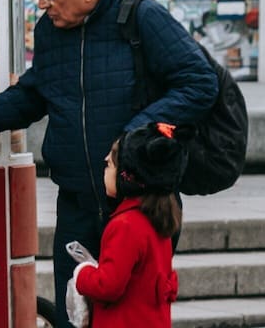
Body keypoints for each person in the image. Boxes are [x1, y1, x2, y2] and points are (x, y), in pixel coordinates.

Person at [0, 0, 217, 325]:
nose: (42, 3)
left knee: (128, 316)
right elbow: (37, 92)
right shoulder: (50, 30)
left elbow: (199, 82)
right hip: (76, 203)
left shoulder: (142, 17)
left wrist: (131, 138)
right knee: (73, 312)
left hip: (137, 209)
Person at [71, 124, 184, 328]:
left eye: (111, 166)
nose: (105, 165)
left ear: (127, 177)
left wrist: (83, 273)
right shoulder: (157, 218)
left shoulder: (126, 226)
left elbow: (108, 286)